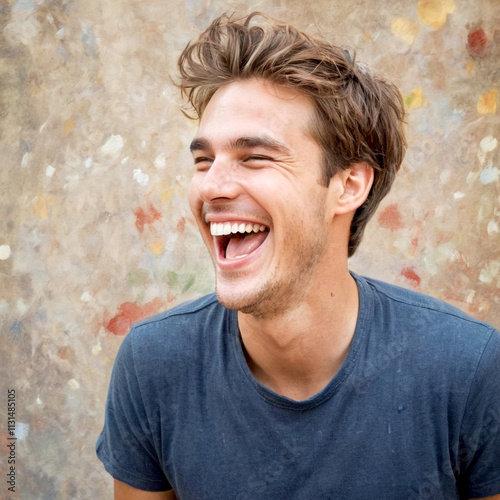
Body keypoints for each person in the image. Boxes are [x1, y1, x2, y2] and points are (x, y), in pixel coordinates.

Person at [96, 12, 500, 500]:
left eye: (255, 157)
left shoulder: (468, 369)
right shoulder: (154, 364)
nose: (212, 186)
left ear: (348, 185)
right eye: (204, 160)